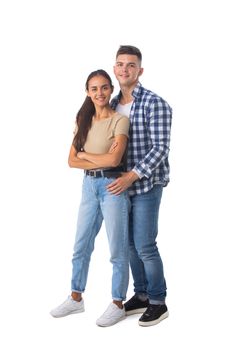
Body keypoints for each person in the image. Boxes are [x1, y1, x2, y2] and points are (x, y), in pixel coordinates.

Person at [50, 69, 130, 327]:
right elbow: (71, 160)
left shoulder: (119, 120)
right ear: (88, 91)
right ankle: (76, 298)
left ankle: (118, 303)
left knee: (117, 249)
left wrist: (86, 156)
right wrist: (89, 158)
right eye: (94, 89)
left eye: (105, 87)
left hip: (113, 186)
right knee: (81, 245)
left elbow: (114, 160)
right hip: (89, 187)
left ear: (110, 90)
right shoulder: (83, 118)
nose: (100, 93)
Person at [107, 45, 172, 327]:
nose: (125, 69)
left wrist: (131, 175)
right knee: (129, 245)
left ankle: (158, 301)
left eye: (131, 65)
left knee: (145, 245)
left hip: (146, 184)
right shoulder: (109, 105)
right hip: (119, 186)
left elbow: (160, 149)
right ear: (114, 69)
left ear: (140, 71)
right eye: (120, 64)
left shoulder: (154, 103)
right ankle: (142, 294)